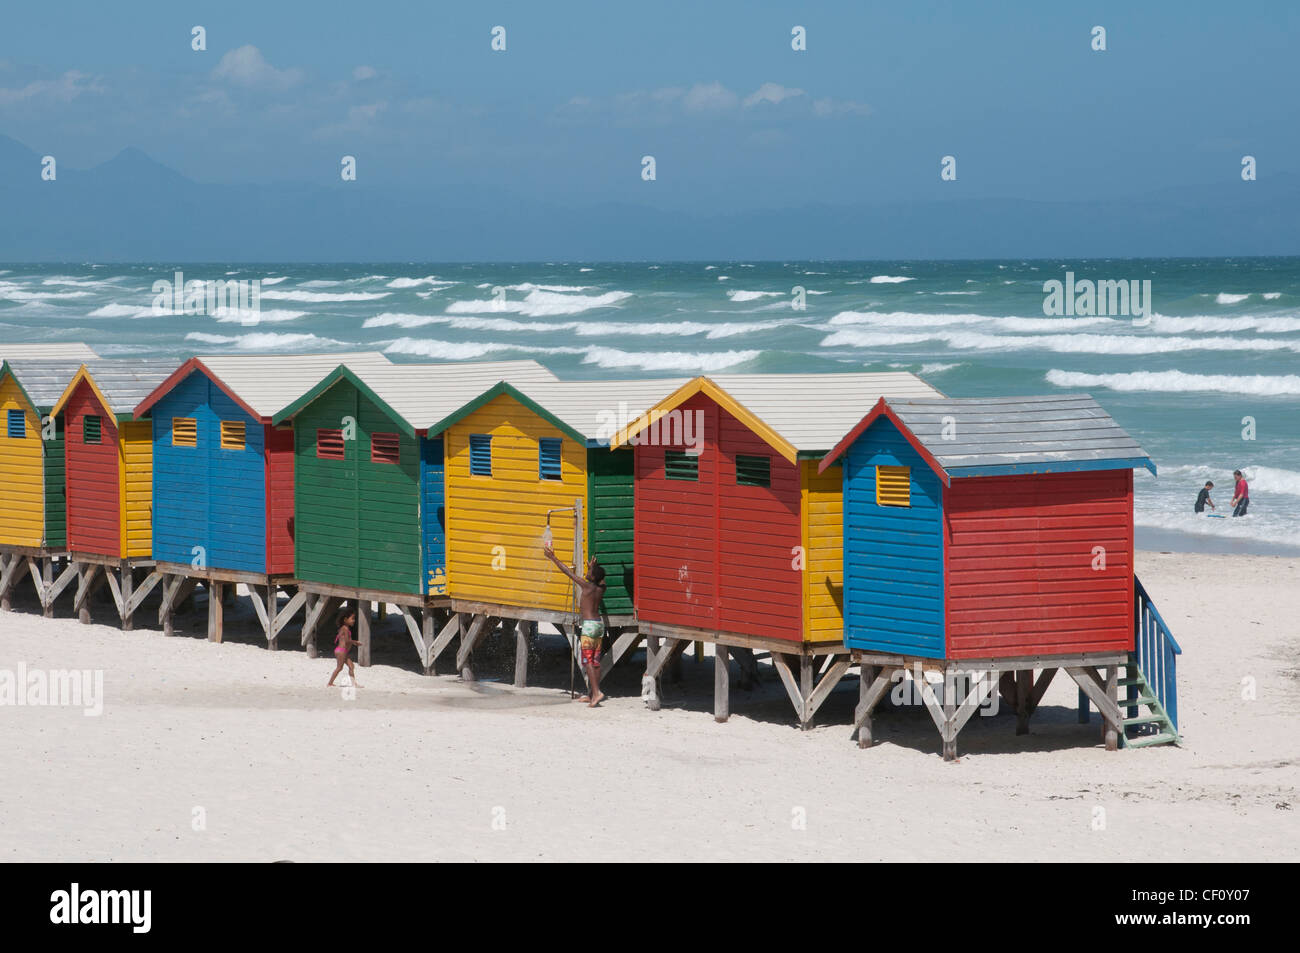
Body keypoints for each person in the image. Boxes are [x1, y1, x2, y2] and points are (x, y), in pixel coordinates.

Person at [543, 544, 607, 707]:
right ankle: (592, 694)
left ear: (592, 577)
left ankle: (597, 693)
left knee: (588, 661)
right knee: (596, 661)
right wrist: (594, 567)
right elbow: (601, 578)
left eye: (589, 572)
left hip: (589, 627)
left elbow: (567, 572)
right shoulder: (601, 588)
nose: (586, 572)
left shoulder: (587, 586)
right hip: (599, 625)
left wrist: (553, 557)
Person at [327, 605, 361, 688]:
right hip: (341, 651)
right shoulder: (345, 628)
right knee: (339, 668)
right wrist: (355, 642)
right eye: (352, 618)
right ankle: (330, 683)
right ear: (345, 619)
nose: (354, 621)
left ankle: (353, 683)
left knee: (351, 666)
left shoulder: (346, 628)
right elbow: (346, 641)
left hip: (343, 651)